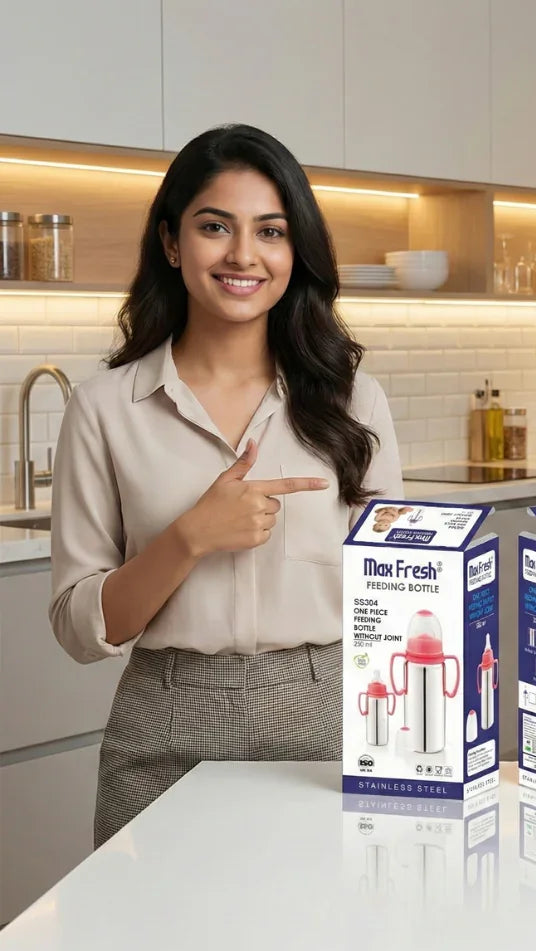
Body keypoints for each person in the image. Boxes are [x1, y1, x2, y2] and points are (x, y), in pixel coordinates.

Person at [48, 124, 402, 847]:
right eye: (216, 227)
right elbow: (79, 627)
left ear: (294, 250)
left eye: (270, 231)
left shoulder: (352, 402)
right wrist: (187, 539)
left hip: (328, 725)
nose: (244, 254)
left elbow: (400, 593)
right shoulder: (105, 408)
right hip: (162, 731)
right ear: (173, 244)